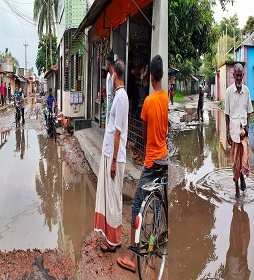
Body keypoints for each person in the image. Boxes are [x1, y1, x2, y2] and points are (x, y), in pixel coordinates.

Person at [117, 55, 168, 273]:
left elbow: (145, 135)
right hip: (165, 159)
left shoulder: (148, 102)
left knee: (138, 204)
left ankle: (131, 255)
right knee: (159, 203)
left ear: (150, 77)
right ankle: (155, 250)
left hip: (151, 160)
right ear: (163, 76)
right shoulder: (167, 98)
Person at [94, 59, 129, 253]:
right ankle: (110, 236)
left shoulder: (121, 97)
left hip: (115, 156)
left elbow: (118, 132)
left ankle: (113, 241)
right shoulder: (119, 96)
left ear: (114, 74)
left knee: (114, 198)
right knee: (110, 197)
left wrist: (114, 161)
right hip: (110, 153)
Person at [225, 63, 253, 197]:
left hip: (244, 133)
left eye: (241, 75)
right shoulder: (229, 92)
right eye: (237, 75)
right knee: (235, 162)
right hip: (234, 133)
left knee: (244, 159)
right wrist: (227, 133)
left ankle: (242, 176)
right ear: (233, 75)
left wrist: (248, 125)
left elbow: (249, 110)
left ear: (243, 75)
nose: (239, 78)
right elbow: (226, 113)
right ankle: (237, 188)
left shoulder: (246, 91)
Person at [105, 51, 115, 123]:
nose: (105, 65)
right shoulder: (108, 76)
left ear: (109, 63)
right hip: (109, 107)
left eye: (106, 63)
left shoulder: (115, 77)